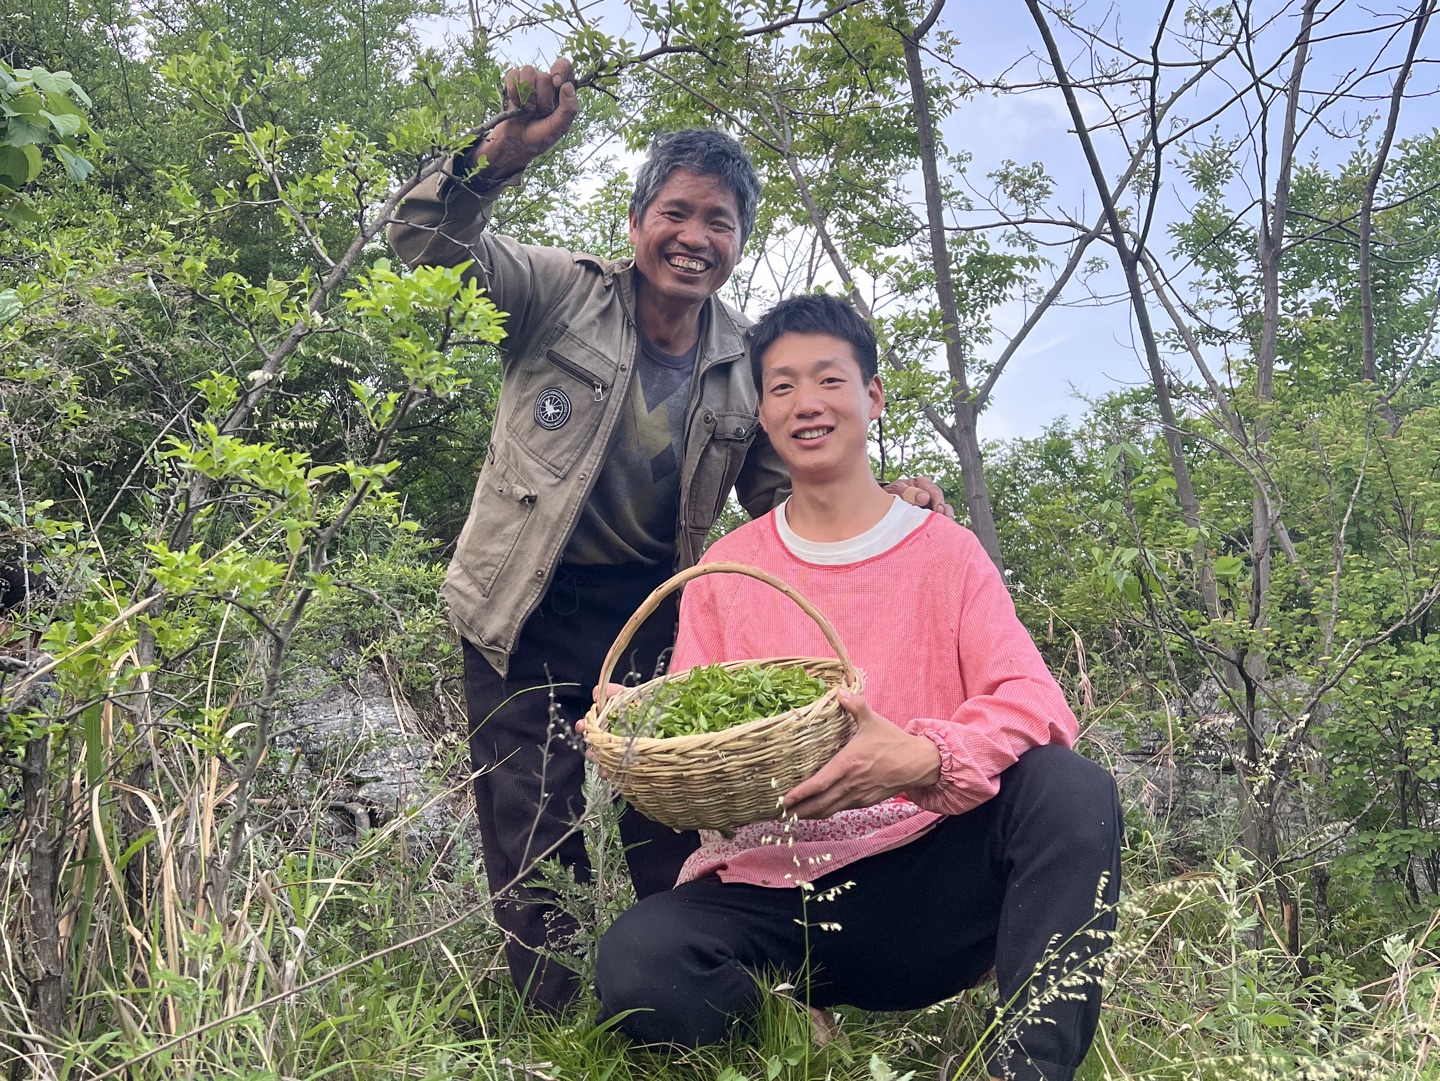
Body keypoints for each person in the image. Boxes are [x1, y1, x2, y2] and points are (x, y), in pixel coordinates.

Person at [387, 60, 949, 1010]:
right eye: (677, 213)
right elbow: (418, 242)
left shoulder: (745, 360)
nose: (693, 238)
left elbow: (782, 492)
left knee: (679, 826)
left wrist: (884, 496)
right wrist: (498, 157)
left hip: (653, 619)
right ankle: (559, 1033)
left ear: (739, 243)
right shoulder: (556, 292)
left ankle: (683, 1010)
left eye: (718, 222)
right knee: (532, 834)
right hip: (519, 606)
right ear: (639, 220)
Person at [592, 294, 1122, 1081]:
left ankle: (1028, 1067)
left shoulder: (946, 552)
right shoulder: (727, 572)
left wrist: (924, 758)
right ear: (763, 414)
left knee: (1071, 789)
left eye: (829, 380)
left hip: (925, 877)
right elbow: (697, 731)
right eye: (781, 387)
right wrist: (639, 734)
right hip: (778, 890)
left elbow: (1035, 700)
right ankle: (785, 1019)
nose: (806, 403)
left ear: (872, 397)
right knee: (635, 964)